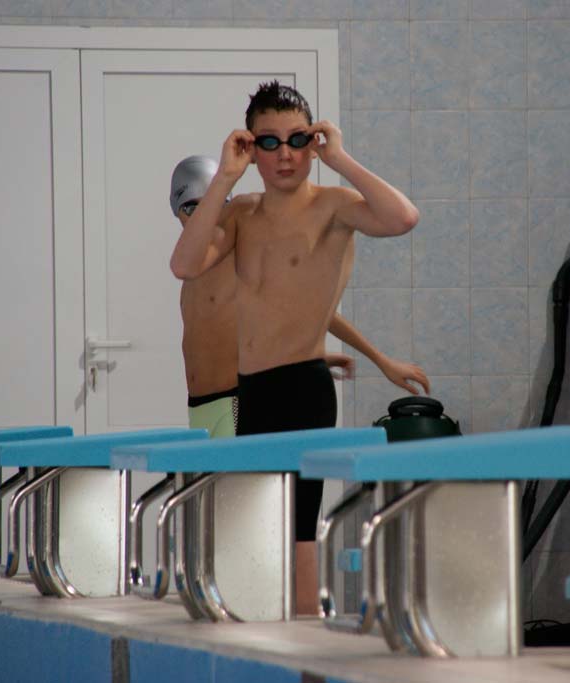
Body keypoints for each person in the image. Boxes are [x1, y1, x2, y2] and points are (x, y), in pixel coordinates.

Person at [169, 81, 419, 614]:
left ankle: (305, 638)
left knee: (298, 530)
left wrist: (341, 159)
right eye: (269, 142)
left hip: (302, 388)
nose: (284, 154)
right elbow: (184, 264)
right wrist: (225, 178)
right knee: (253, 524)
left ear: (313, 143)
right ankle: (258, 633)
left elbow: (402, 218)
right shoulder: (241, 214)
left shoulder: (334, 207)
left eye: (297, 139)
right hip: (250, 392)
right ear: (250, 149)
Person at [170, 155, 430, 439]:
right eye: (191, 208)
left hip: (234, 402)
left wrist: (381, 361)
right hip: (199, 408)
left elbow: (315, 311)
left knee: (243, 470)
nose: (203, 216)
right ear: (175, 210)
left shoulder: (237, 256)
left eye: (215, 204)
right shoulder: (189, 266)